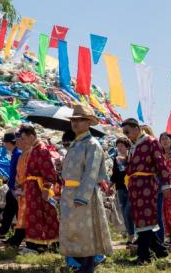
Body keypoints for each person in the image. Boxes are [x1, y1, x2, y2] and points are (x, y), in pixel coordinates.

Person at [59, 103, 113, 273]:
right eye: (74, 120)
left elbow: (91, 173)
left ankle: (88, 265)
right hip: (69, 194)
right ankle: (82, 263)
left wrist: (82, 196)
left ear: (89, 123)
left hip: (84, 195)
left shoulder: (92, 144)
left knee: (85, 230)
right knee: (73, 230)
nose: (75, 123)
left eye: (80, 120)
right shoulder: (75, 144)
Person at [121, 118, 171, 265]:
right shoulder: (134, 144)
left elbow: (160, 163)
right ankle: (160, 250)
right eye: (124, 132)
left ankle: (144, 256)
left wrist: (166, 184)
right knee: (140, 219)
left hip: (147, 186)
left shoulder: (151, 141)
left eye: (127, 132)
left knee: (145, 219)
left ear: (136, 128)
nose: (126, 135)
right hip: (135, 187)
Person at [18, 124, 60, 253]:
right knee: (35, 216)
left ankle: (36, 246)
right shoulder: (33, 149)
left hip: (39, 189)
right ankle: (40, 244)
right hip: (32, 188)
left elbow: (49, 172)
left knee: (42, 216)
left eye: (24, 138)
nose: (23, 141)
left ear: (31, 136)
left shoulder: (42, 150)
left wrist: (46, 189)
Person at [6, 124, 33, 249]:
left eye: (20, 139)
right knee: (19, 214)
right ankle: (17, 238)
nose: (18, 141)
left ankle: (23, 240)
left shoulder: (27, 154)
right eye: (17, 139)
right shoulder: (21, 154)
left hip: (27, 190)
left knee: (22, 215)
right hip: (19, 189)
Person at [0, 132, 21, 239]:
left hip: (16, 187)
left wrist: (15, 186)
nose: (4, 145)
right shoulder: (15, 153)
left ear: (10, 143)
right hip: (13, 187)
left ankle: (18, 234)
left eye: (5, 142)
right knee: (10, 210)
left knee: (15, 211)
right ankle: (3, 232)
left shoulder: (18, 154)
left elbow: (19, 172)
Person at [110, 136, 134, 246]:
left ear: (127, 146)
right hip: (120, 188)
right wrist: (109, 186)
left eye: (121, 145)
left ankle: (134, 235)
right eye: (118, 146)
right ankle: (130, 237)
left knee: (129, 212)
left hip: (131, 188)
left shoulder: (131, 157)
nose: (119, 148)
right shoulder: (116, 159)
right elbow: (114, 174)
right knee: (124, 214)